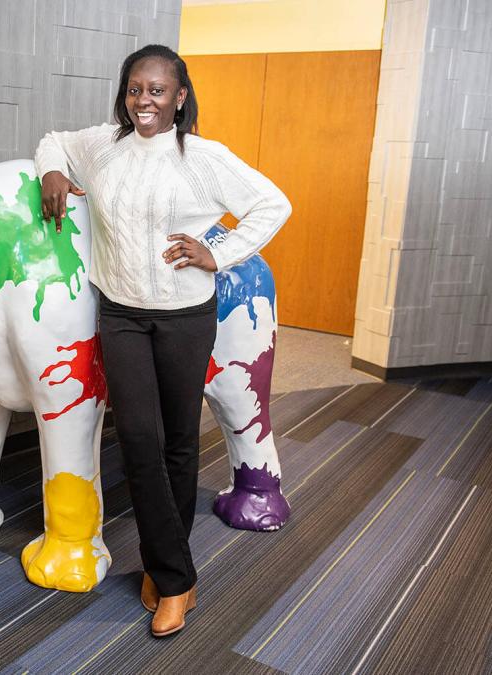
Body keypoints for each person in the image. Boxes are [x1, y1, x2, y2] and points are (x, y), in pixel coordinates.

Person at [35, 44, 291, 637]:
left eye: (156, 90)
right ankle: (177, 578)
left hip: (184, 318)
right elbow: (55, 140)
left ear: (179, 96)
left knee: (179, 444)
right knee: (140, 445)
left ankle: (164, 567)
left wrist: (218, 252)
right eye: (134, 89)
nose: (143, 100)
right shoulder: (104, 147)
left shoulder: (202, 157)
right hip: (121, 316)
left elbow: (272, 204)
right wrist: (53, 170)